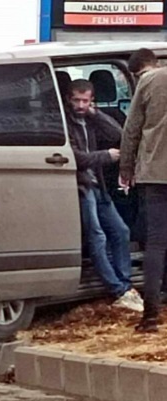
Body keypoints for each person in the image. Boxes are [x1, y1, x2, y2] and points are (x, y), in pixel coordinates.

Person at [66, 79, 143, 312]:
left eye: (85, 101)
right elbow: (75, 158)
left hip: (97, 184)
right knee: (97, 236)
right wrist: (106, 156)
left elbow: (118, 133)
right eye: (76, 100)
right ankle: (117, 289)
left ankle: (126, 285)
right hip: (81, 185)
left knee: (121, 231)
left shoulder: (89, 120)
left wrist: (95, 114)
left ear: (92, 101)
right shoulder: (64, 123)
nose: (80, 105)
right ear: (68, 100)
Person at [120, 48, 166, 332]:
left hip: (155, 174)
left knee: (157, 244)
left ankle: (150, 316)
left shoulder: (148, 82)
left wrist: (126, 170)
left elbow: (131, 130)